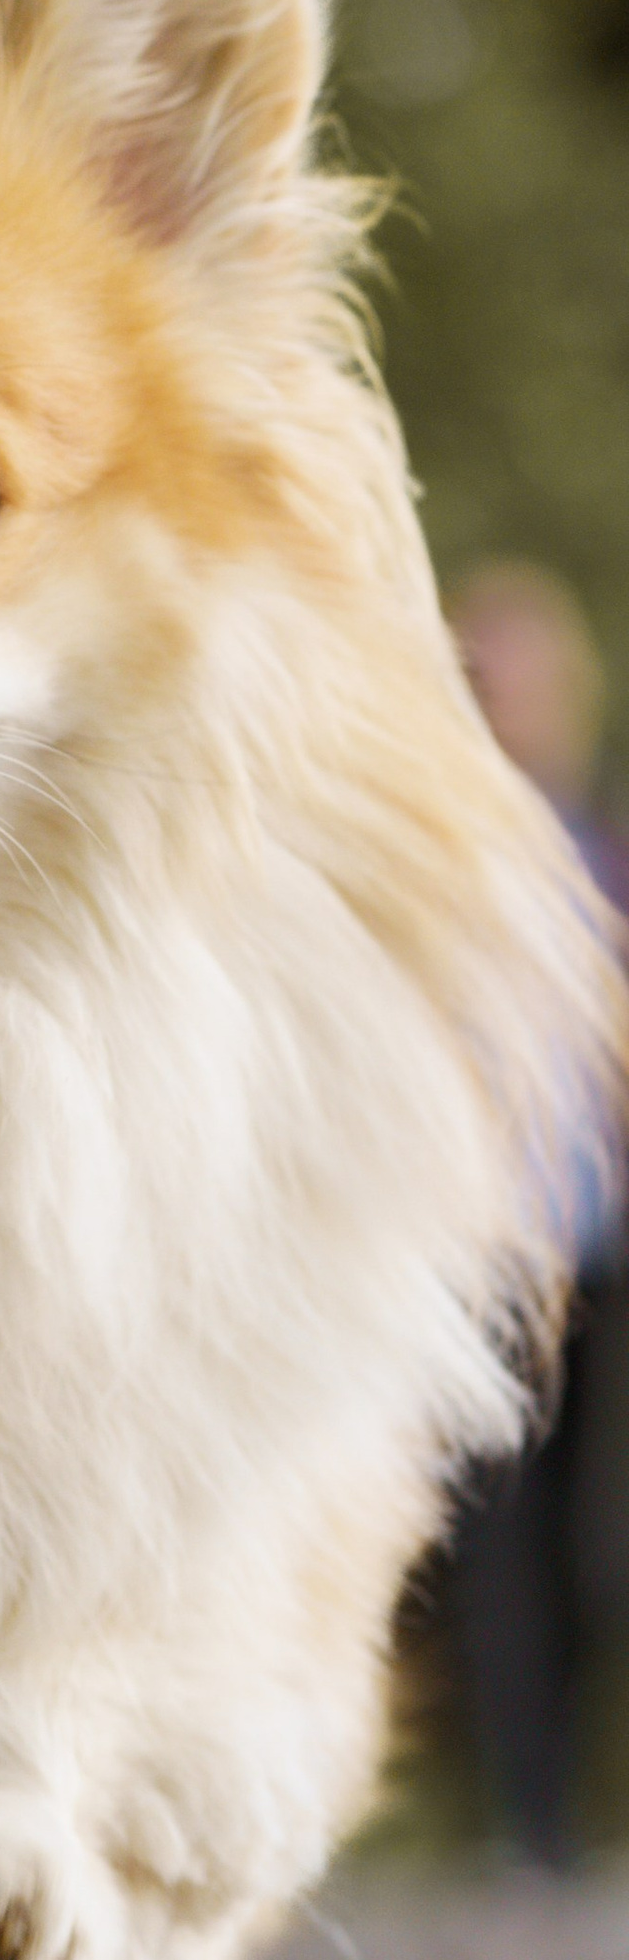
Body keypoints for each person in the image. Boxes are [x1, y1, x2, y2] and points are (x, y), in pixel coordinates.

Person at [445, 562, 629, 1869]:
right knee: (488, 1554)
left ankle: (567, 1807)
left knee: (594, 1544)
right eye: (475, 674)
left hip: (602, 1251)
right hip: (473, 1254)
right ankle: (528, 1828)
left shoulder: (603, 858)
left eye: (513, 673)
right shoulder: (430, 868)